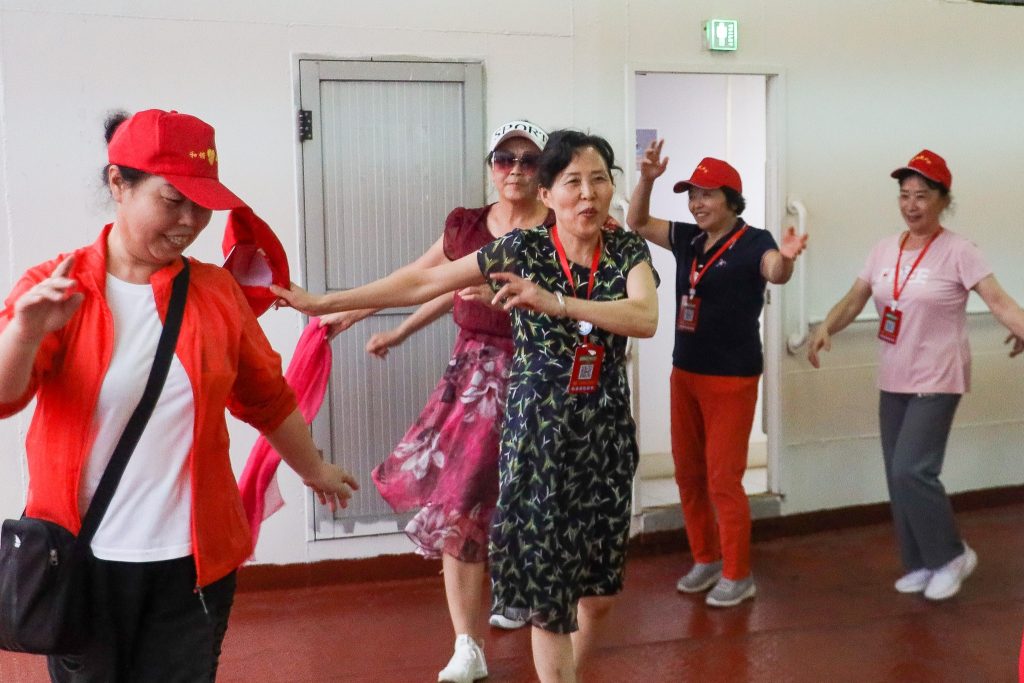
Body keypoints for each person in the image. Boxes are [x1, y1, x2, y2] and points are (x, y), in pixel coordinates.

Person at [273, 129, 659, 683]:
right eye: (573, 181)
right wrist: (327, 301)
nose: (588, 193)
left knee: (596, 598)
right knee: (549, 600)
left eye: (599, 179)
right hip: (537, 438)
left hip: (604, 436)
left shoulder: (626, 249)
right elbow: (423, 280)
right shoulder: (522, 249)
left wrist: (557, 303)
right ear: (548, 196)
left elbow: (645, 317)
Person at [0, 109, 358, 681]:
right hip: (81, 562)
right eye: (172, 200)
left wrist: (315, 469)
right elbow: (4, 395)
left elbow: (268, 398)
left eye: (203, 206)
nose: (190, 221)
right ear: (119, 184)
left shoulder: (215, 293)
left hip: (192, 566)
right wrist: (23, 331)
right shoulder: (59, 287)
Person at [317, 120, 552, 682]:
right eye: (504, 159)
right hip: (474, 382)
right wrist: (366, 315)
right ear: (491, 167)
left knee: (531, 503)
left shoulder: (560, 226)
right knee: (461, 505)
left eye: (527, 159)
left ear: (543, 169)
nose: (515, 169)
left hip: (541, 378)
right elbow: (425, 281)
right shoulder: (468, 226)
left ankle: (529, 603)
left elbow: (579, 302)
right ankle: (467, 644)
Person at [808, 149, 1024, 601]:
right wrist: (826, 326)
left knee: (913, 470)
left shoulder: (960, 250)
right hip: (894, 376)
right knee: (896, 472)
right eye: (904, 195)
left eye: (922, 196)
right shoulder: (885, 249)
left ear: (943, 200)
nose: (911, 205)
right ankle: (923, 561)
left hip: (939, 376)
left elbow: (1000, 301)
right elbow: (854, 299)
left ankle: (951, 555)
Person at [627, 140, 806, 607]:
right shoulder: (687, 237)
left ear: (731, 200)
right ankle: (705, 558)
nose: (696, 203)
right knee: (688, 473)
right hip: (684, 372)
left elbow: (776, 271)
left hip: (732, 379)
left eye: (707, 195)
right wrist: (647, 179)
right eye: (692, 195)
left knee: (723, 479)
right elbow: (638, 222)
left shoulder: (756, 242)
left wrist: (785, 257)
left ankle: (737, 573)